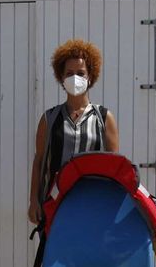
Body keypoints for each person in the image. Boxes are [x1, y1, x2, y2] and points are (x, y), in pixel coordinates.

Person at [28, 39, 119, 224]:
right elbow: (39, 162)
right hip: (56, 205)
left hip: (94, 205)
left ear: (90, 77)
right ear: (61, 78)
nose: (75, 78)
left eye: (80, 73)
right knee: (56, 252)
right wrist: (34, 202)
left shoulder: (104, 118)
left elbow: (114, 166)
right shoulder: (49, 119)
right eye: (69, 73)